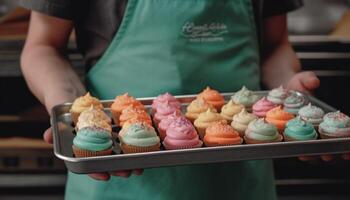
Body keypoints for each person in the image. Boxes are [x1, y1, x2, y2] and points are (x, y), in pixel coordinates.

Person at [19, 0, 324, 199]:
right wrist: (69, 107)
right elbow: (42, 46)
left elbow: (275, 46)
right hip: (119, 183)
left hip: (240, 180)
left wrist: (287, 89)